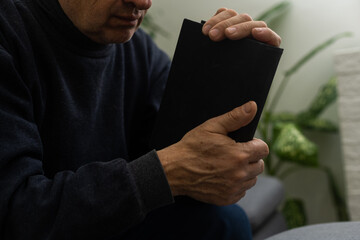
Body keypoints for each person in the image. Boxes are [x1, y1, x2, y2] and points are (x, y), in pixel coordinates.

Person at [0, 0, 281, 239]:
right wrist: (168, 172)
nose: (143, 2)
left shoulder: (138, 50)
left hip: (106, 221)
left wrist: (239, 70)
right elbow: (19, 212)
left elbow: (186, 152)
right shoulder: (11, 36)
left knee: (224, 223)